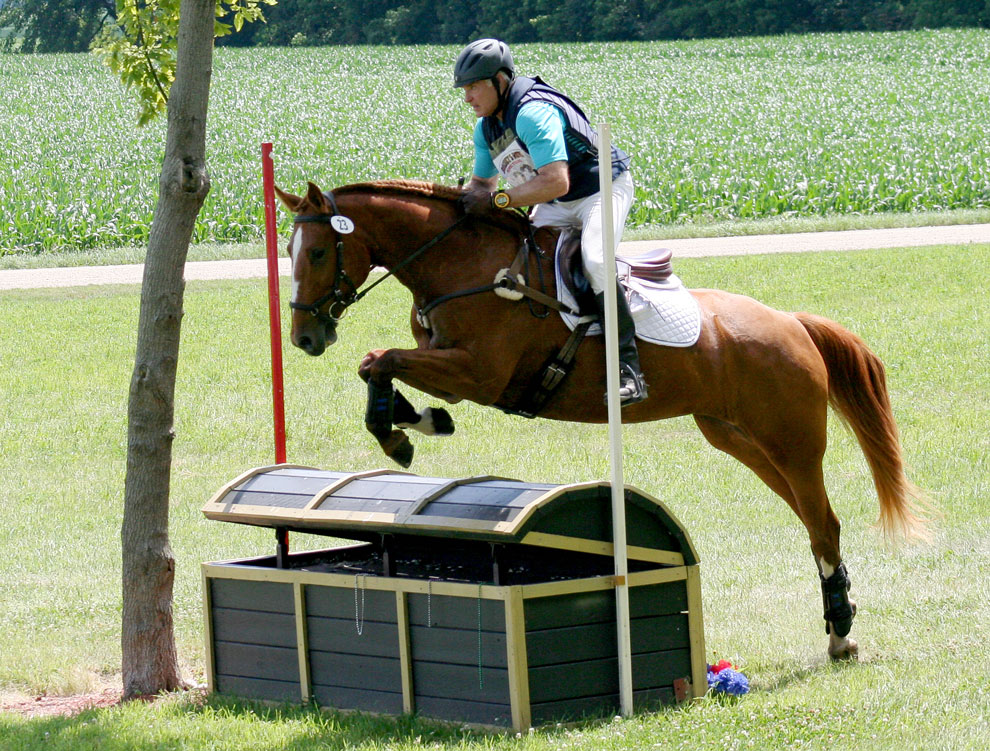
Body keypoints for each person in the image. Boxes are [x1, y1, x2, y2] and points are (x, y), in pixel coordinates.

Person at [453, 38, 648, 406]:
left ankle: (629, 368)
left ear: (499, 81)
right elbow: (482, 187)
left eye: (474, 86)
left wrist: (498, 200)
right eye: (464, 89)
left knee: (595, 259)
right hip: (557, 200)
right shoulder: (487, 128)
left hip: (600, 190)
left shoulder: (531, 113)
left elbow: (557, 180)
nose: (468, 98)